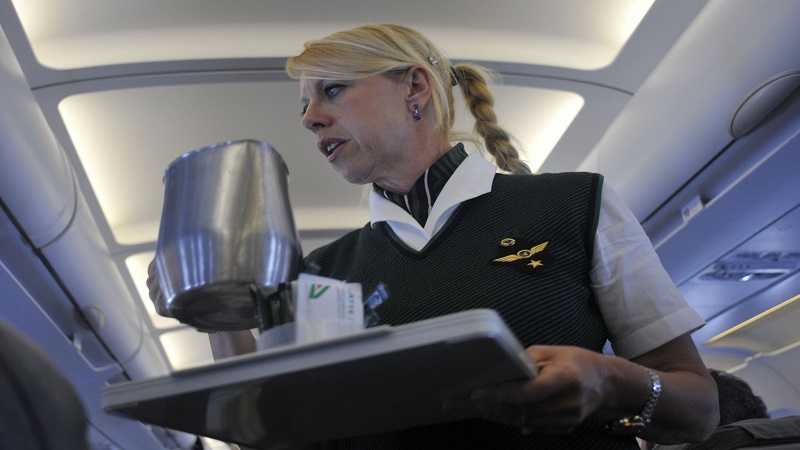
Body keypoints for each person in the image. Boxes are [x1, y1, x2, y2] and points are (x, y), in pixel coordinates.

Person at [148, 24, 719, 449]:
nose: (309, 118)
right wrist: (217, 312)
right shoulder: (322, 270)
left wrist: (610, 381)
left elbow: (699, 410)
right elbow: (283, 435)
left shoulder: (574, 203)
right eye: (305, 105)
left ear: (415, 88)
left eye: (332, 90)